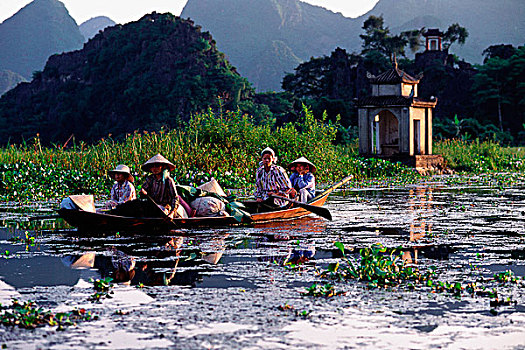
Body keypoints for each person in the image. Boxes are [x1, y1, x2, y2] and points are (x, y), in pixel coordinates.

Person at [139, 154, 182, 218]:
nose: (154, 169)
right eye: (152, 166)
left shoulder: (168, 180)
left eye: (157, 166)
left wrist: (172, 213)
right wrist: (143, 193)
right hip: (152, 206)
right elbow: (143, 193)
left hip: (165, 207)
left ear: (163, 167)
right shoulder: (150, 179)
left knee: (162, 212)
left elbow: (175, 198)